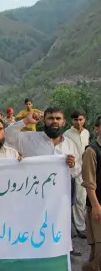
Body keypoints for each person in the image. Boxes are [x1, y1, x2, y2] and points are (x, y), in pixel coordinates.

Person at [5, 107, 81, 176]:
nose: (54, 121)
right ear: (44, 122)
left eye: (58, 118)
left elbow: (77, 172)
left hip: (61, 190)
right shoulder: (30, 138)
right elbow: (6, 136)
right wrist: (26, 121)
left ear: (63, 122)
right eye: (50, 118)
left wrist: (73, 165)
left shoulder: (70, 144)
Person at [64, 110, 90, 239]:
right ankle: (80, 227)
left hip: (86, 168)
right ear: (71, 121)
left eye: (80, 119)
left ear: (84, 119)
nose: (78, 122)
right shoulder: (67, 135)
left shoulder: (86, 133)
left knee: (85, 197)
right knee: (78, 198)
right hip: (74, 169)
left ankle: (82, 223)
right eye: (75, 120)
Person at [81, 115, 101, 271]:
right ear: (97, 128)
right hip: (98, 206)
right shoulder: (92, 151)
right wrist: (95, 206)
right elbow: (89, 181)